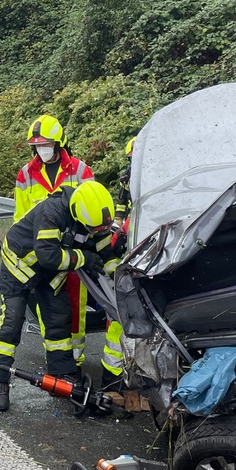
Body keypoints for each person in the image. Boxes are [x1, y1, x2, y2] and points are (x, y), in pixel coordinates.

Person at [0, 181, 119, 412]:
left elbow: (105, 252)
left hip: (50, 272)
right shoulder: (52, 212)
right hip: (20, 267)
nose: (98, 232)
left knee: (59, 320)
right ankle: (0, 382)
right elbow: (48, 255)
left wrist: (118, 275)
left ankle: (62, 375)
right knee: (11, 324)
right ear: (78, 215)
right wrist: (84, 258)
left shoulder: (94, 221)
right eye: (95, 229)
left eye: (101, 229)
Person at [14, 113, 95, 366]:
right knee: (46, 308)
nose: (42, 150)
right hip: (41, 254)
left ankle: (76, 359)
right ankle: (56, 357)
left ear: (59, 143)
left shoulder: (81, 170)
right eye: (37, 146)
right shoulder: (25, 175)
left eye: (46, 145)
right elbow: (20, 216)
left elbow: (91, 209)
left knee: (74, 308)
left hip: (73, 251)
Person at [100, 136, 137, 392]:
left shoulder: (159, 175)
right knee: (121, 315)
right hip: (130, 243)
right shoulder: (128, 176)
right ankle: (113, 382)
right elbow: (122, 204)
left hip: (149, 240)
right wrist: (118, 224)